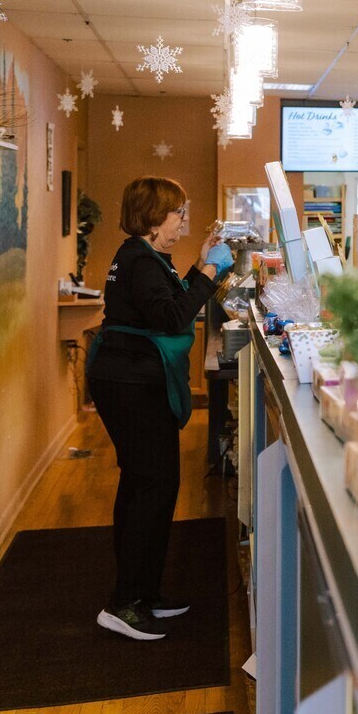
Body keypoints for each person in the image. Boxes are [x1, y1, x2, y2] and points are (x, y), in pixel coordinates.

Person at [88, 177, 233, 641]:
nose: (183, 221)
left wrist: (200, 267)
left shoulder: (142, 256)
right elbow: (172, 317)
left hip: (130, 377)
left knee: (147, 483)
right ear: (154, 217)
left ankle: (143, 592)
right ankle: (124, 603)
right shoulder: (138, 258)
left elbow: (168, 302)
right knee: (151, 485)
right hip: (130, 381)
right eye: (178, 213)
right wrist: (209, 275)